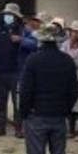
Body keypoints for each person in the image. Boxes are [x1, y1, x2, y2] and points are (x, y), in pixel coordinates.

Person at [16, 24, 78, 154]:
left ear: (40, 40)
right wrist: (66, 109)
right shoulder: (67, 61)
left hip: (37, 116)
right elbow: (74, 90)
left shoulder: (33, 60)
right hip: (59, 116)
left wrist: (24, 113)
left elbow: (26, 90)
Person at [0, 3, 35, 137]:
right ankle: (0, 127)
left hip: (17, 72)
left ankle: (18, 128)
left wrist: (21, 40)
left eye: (10, 15)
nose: (7, 17)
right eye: (6, 15)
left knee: (17, 102)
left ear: (16, 17)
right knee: (0, 101)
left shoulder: (25, 30)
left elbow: (35, 44)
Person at [15, 11, 47, 139]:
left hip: (37, 72)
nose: (35, 23)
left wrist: (21, 40)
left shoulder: (40, 35)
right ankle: (19, 127)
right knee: (23, 99)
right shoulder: (24, 31)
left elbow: (35, 45)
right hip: (23, 71)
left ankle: (31, 126)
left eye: (37, 21)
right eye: (33, 20)